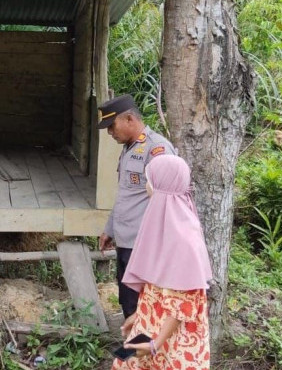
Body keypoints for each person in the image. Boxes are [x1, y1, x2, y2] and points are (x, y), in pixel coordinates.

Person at [112, 154, 212, 369]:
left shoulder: (184, 237)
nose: (147, 185)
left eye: (150, 179)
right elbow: (159, 284)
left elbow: (184, 302)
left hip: (173, 340)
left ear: (161, 185)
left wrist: (156, 344)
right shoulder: (166, 221)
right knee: (124, 363)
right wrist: (140, 316)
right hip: (152, 327)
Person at [97, 94, 175, 319]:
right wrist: (110, 229)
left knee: (140, 303)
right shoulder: (129, 148)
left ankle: (140, 351)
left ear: (130, 119)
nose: (110, 133)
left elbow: (167, 201)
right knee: (127, 299)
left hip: (144, 245)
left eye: (112, 126)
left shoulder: (157, 149)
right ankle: (134, 349)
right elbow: (126, 194)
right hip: (126, 241)